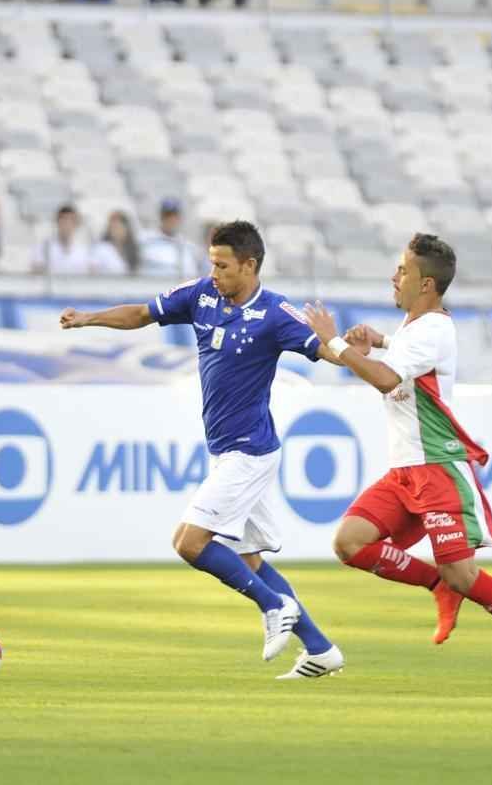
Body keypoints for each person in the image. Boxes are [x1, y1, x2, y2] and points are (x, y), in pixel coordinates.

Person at [59, 220, 347, 679]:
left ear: (250, 265)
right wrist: (88, 318)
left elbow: (326, 351)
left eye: (223, 265)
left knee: (189, 542)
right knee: (251, 559)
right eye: (211, 263)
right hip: (227, 450)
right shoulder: (202, 296)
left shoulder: (276, 314)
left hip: (249, 452)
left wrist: (349, 347)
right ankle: (320, 648)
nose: (214, 273)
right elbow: (141, 314)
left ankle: (274, 607)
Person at [302, 232, 492, 688]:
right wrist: (378, 339)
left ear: (426, 284)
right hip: (406, 470)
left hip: (438, 469)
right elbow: (400, 357)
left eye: (403, 270)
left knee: (463, 573)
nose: (395, 276)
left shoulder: (435, 329)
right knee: (350, 542)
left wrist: (338, 343)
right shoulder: (415, 329)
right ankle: (436, 585)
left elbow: (387, 381)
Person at [138, 198, 200, 278]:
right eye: (167, 216)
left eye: (175, 216)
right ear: (161, 217)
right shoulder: (147, 241)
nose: (171, 220)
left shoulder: (188, 246)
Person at [31, 205, 95, 275]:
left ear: (76, 224)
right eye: (64, 221)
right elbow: (36, 274)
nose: (67, 225)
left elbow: (91, 274)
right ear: (57, 222)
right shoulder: (44, 247)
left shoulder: (83, 251)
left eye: (71, 221)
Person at [92, 210, 139, 275]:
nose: (116, 232)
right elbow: (93, 270)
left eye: (120, 228)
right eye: (114, 228)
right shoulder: (101, 248)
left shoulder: (133, 249)